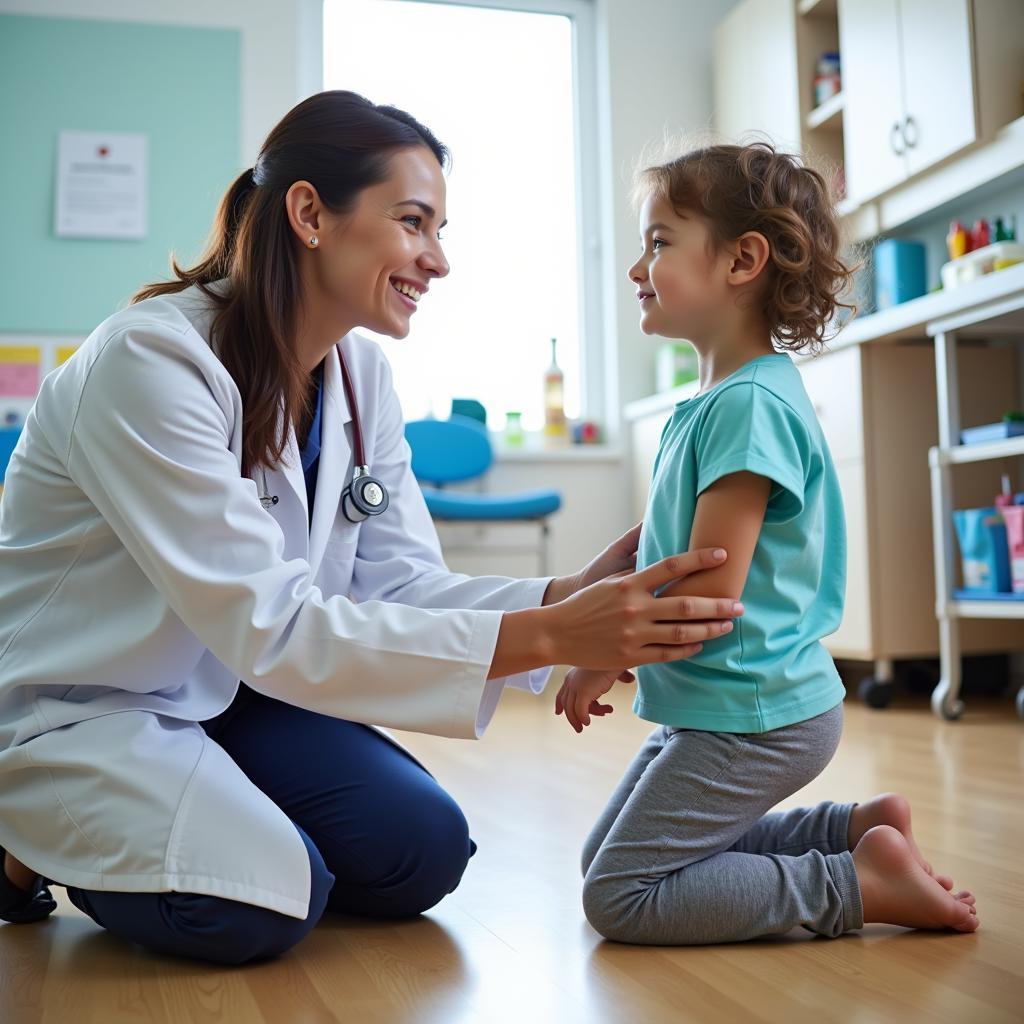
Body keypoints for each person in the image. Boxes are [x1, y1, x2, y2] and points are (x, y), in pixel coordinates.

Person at [0, 92, 742, 965]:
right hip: (86, 707)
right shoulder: (151, 364)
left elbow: (397, 584)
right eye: (414, 222)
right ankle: (20, 838)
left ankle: (211, 804)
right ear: (310, 213)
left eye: (439, 228)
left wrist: (562, 597)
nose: (439, 260)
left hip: (234, 696)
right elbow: (268, 620)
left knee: (418, 853)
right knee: (268, 901)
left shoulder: (359, 376)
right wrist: (549, 634)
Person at [554, 141, 979, 944]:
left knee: (621, 896)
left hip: (754, 713)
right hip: (724, 705)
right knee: (601, 862)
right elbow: (685, 543)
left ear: (741, 260)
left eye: (659, 242)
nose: (637, 266)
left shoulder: (749, 404)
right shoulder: (720, 399)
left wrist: (604, 651)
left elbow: (711, 589)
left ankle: (854, 883)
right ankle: (852, 830)